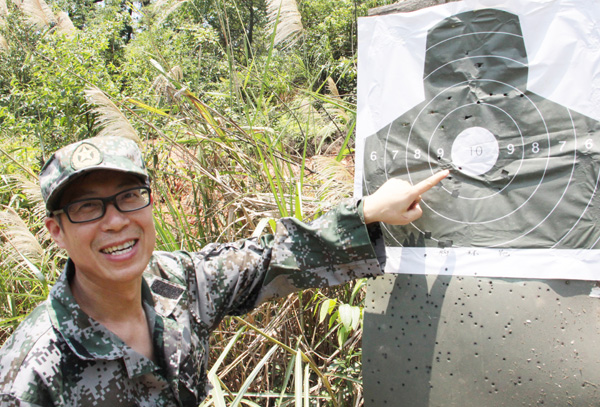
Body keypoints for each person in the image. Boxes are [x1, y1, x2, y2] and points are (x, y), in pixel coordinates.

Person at [0, 135, 448, 406]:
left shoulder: (177, 282)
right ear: (56, 231)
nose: (116, 220)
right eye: (87, 207)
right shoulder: (31, 371)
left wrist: (369, 211)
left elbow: (270, 256)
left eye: (130, 196)